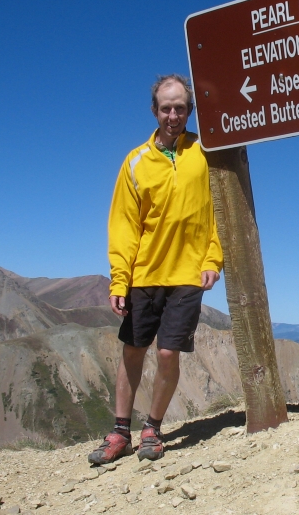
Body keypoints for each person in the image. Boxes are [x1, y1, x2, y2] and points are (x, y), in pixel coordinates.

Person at [88, 74, 223, 464]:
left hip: (188, 273)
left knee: (167, 354)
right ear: (154, 110)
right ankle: (118, 432)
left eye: (180, 107)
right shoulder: (135, 162)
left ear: (190, 110)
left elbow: (219, 211)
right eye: (166, 107)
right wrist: (119, 277)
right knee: (133, 351)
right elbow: (124, 225)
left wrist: (213, 258)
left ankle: (152, 427)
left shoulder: (205, 153)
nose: (173, 115)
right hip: (143, 274)